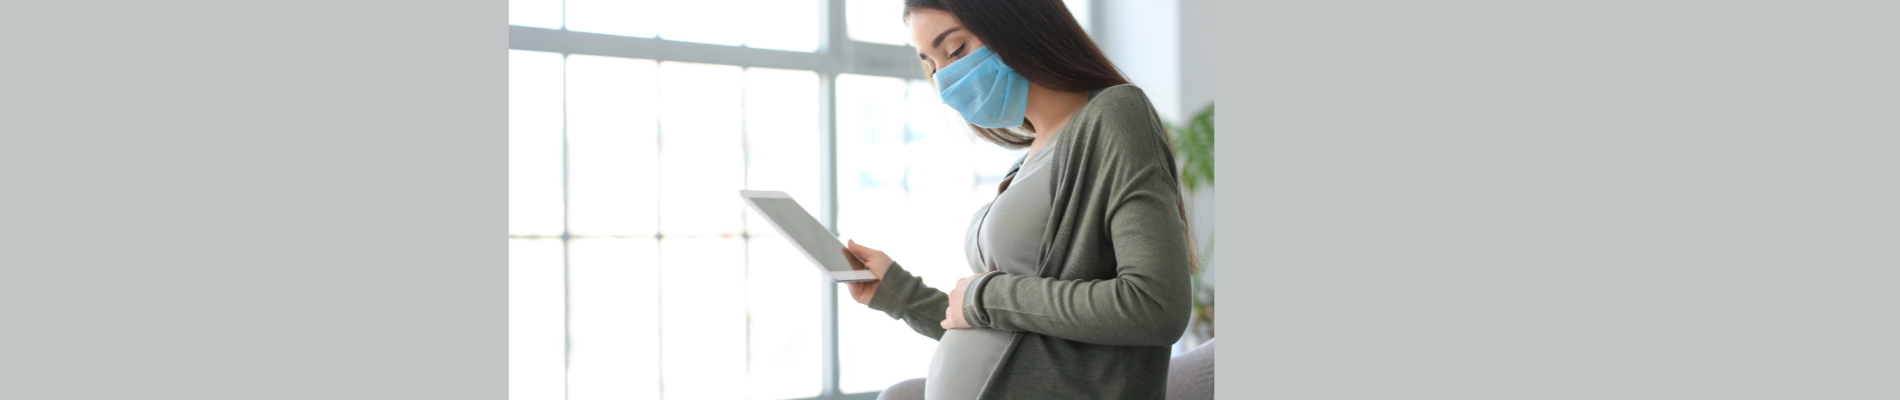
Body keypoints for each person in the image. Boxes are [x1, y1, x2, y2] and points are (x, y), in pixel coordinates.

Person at [841, 1, 1198, 399]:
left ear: (1016, 23)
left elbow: (1155, 306)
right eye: (933, 65)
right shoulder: (1025, 161)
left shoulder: (1114, 115)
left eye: (955, 50)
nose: (946, 80)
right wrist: (897, 293)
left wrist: (985, 296)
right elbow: (1014, 327)